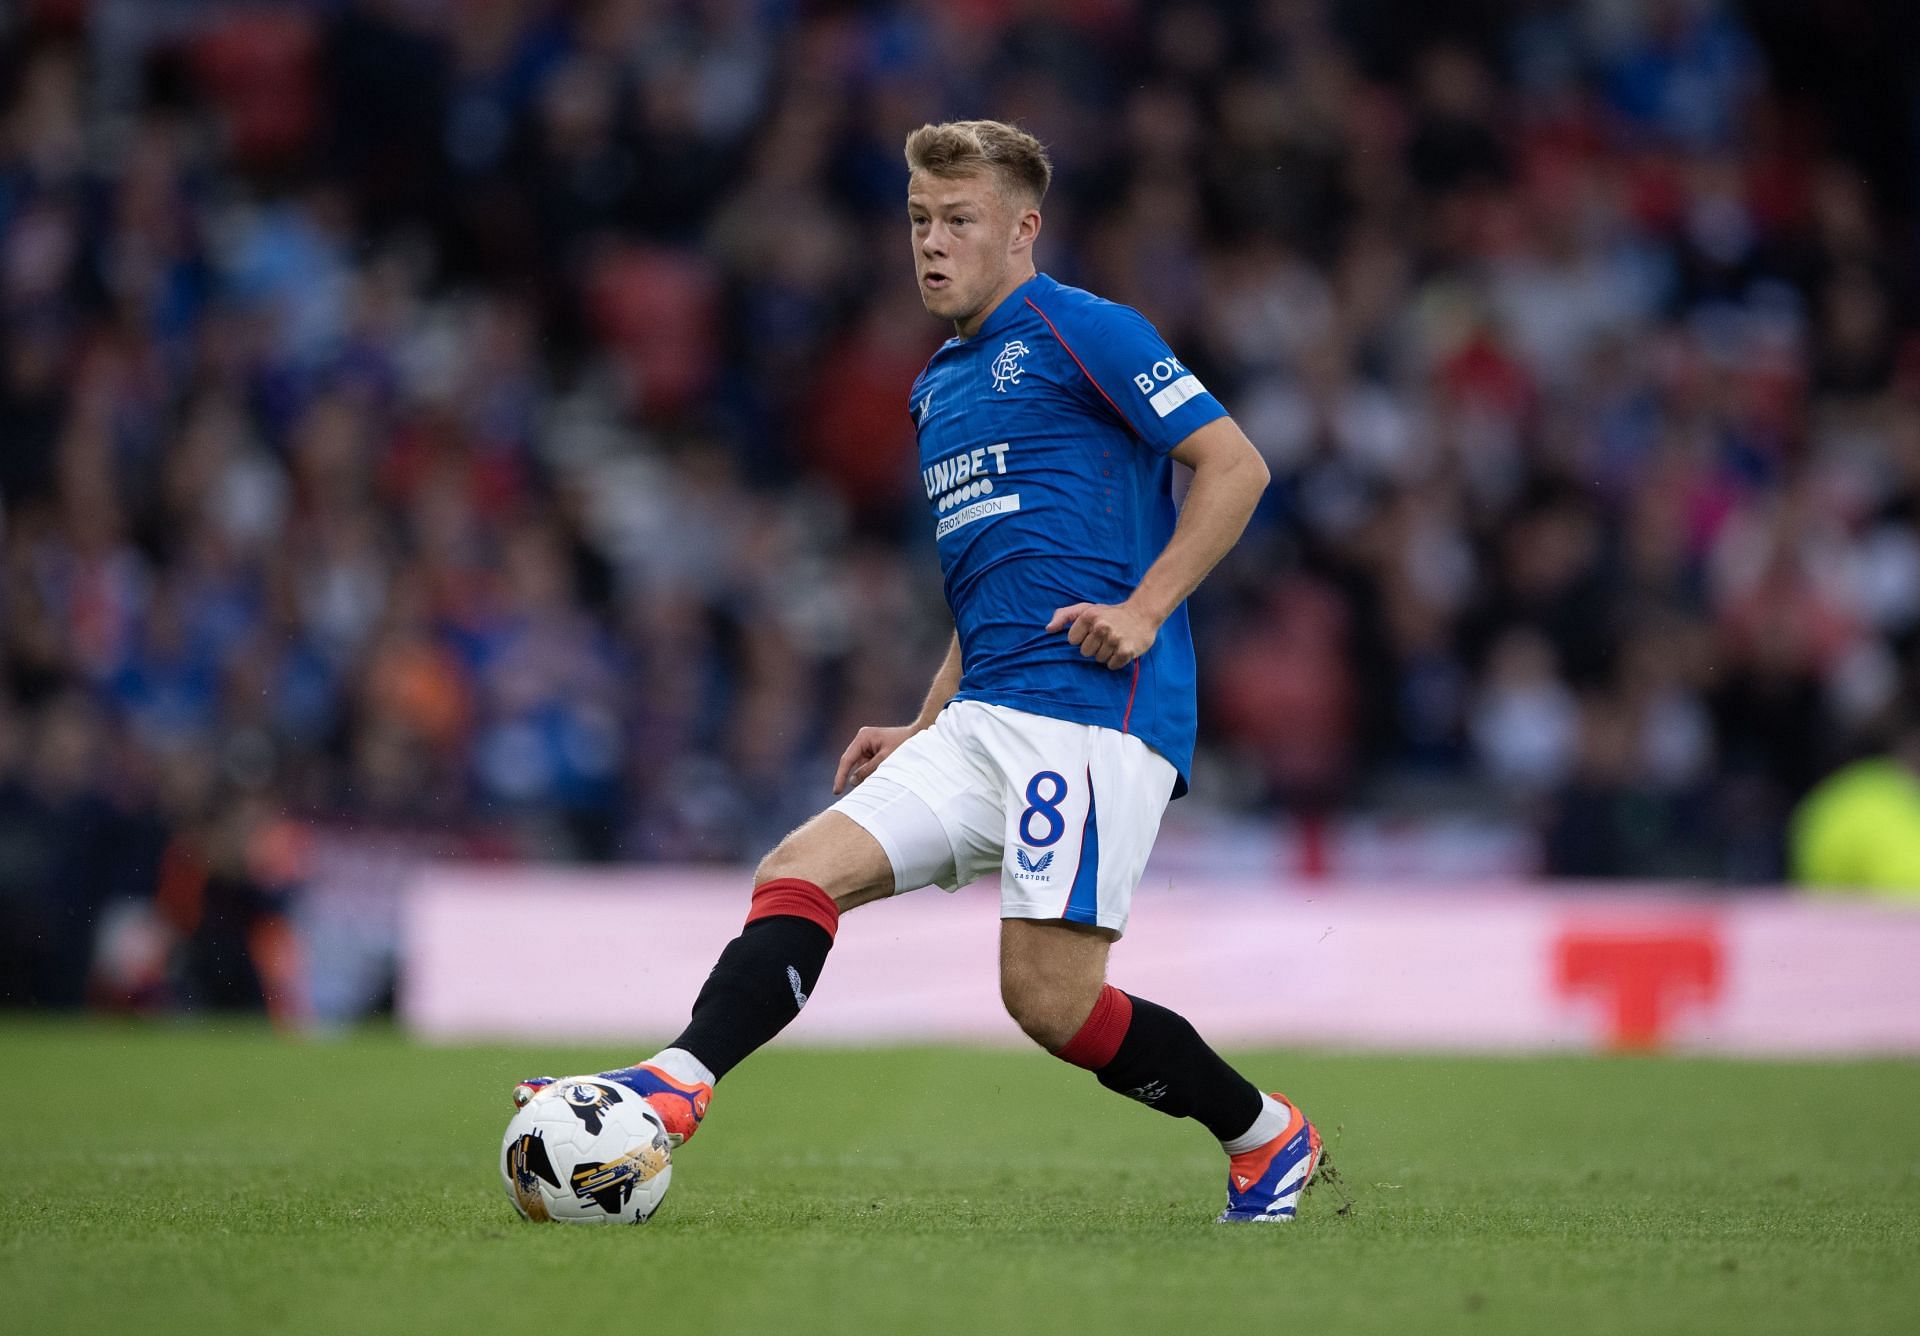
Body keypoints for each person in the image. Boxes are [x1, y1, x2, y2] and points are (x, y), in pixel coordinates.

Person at [515, 120, 1326, 1222]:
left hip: (1089, 711)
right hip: (985, 709)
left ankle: (1266, 1134)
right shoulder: (938, 384)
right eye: (918, 221)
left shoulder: (1087, 328)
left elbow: (1236, 463)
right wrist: (926, 717)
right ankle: (672, 1087)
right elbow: (989, 575)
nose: (932, 244)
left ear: (1023, 228)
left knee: (1048, 1001)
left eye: (959, 221)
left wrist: (1146, 608)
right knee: (799, 868)